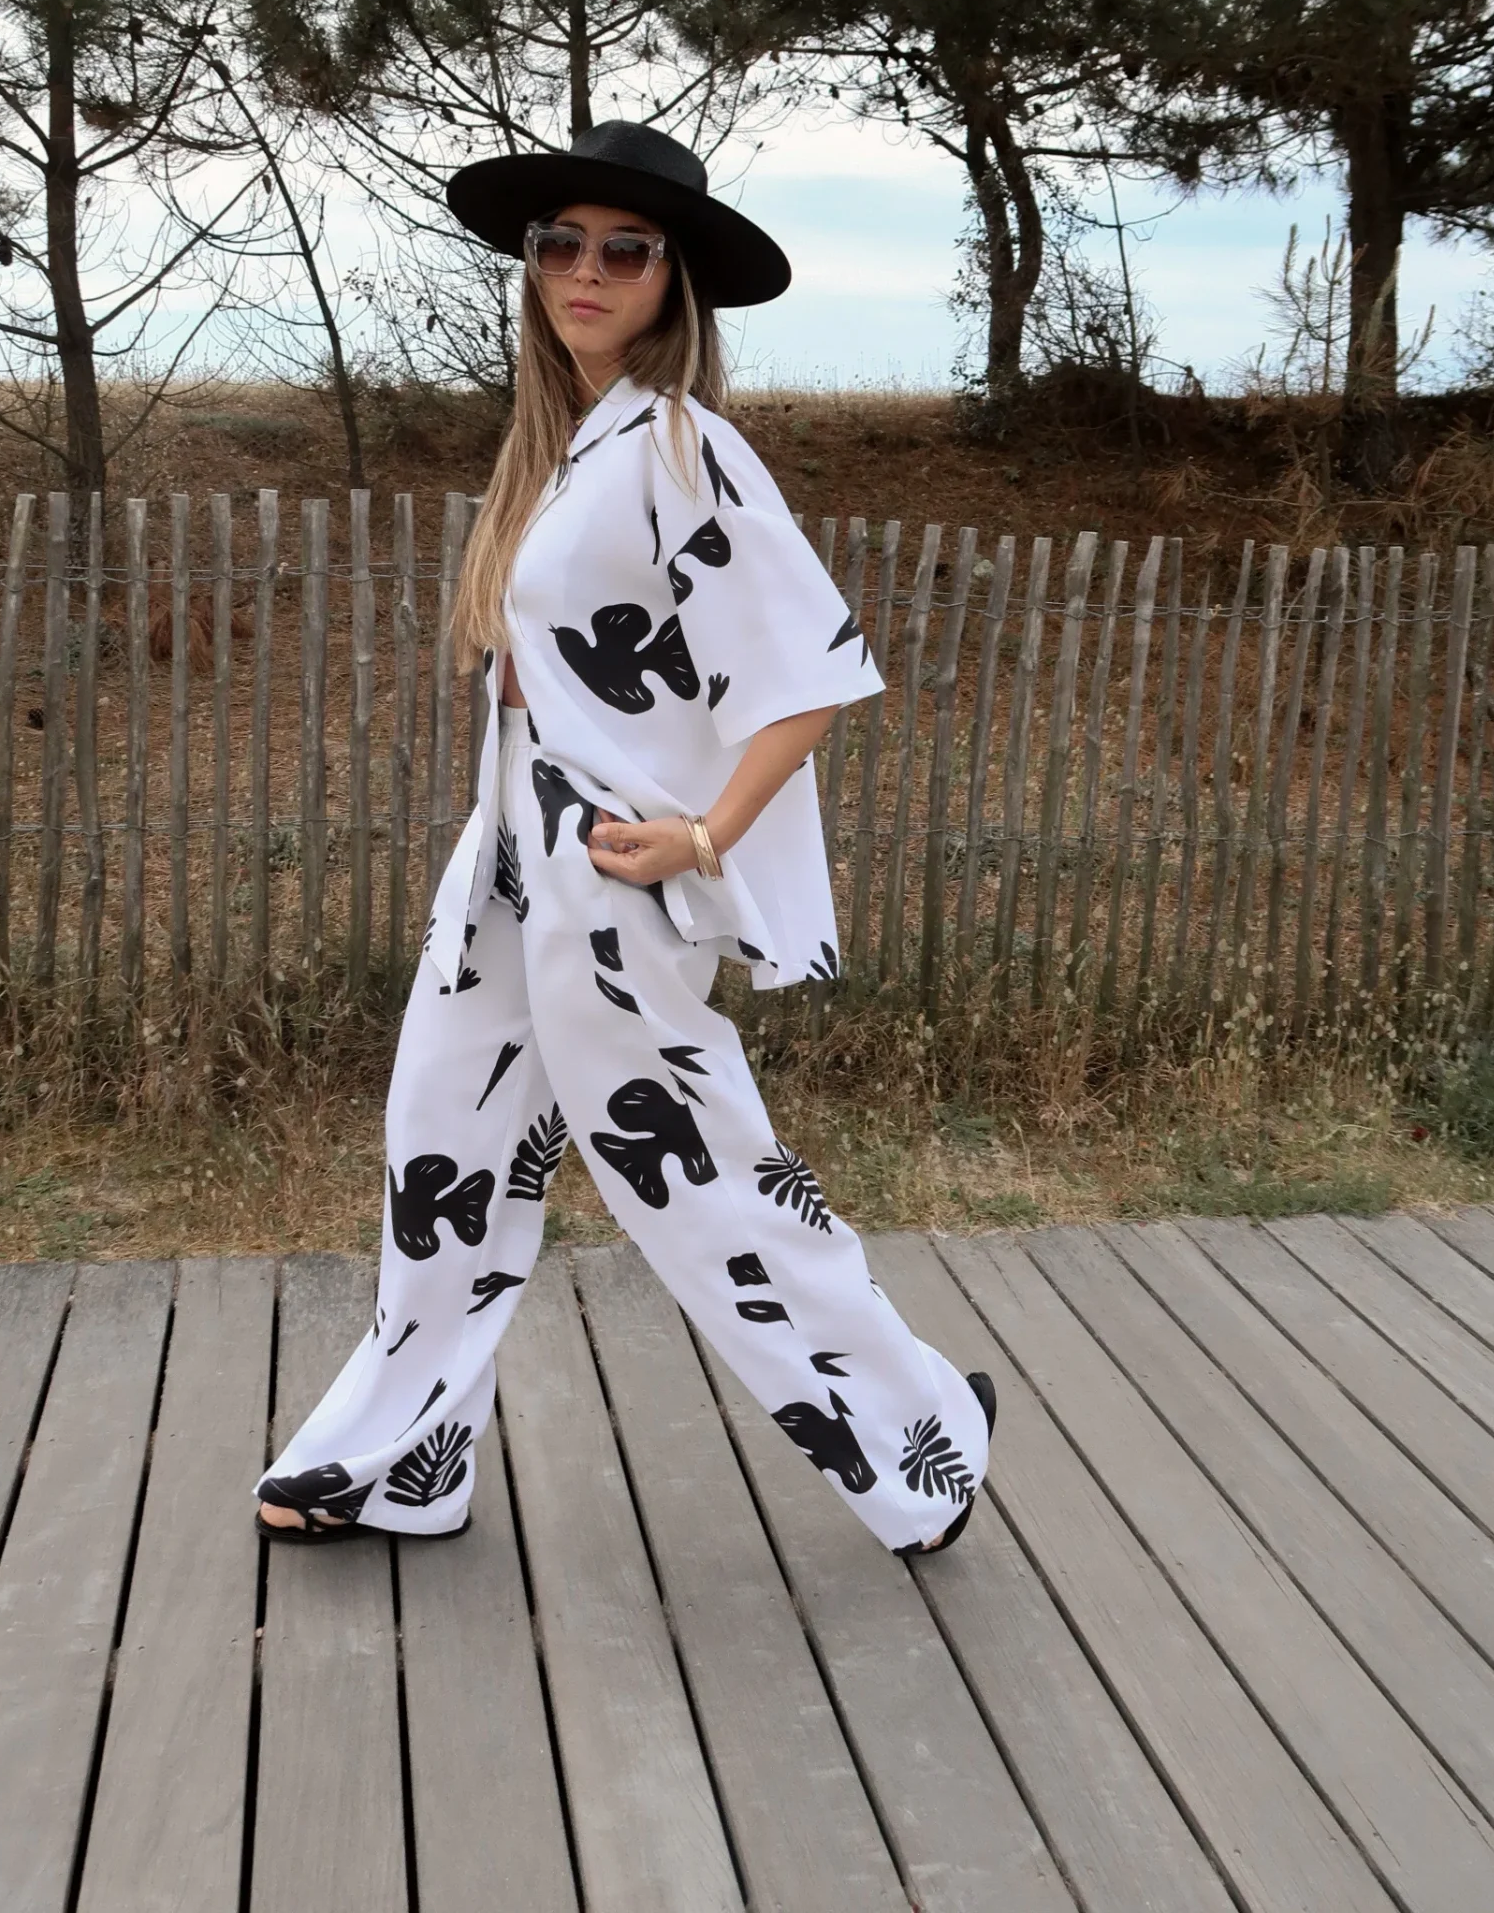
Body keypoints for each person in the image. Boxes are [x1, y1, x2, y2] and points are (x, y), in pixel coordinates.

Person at [253, 121, 995, 1555]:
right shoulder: (568, 449)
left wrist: (706, 837)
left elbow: (811, 672)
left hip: (603, 876)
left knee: (699, 1180)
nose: (584, 271)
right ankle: (405, 1461)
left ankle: (924, 1445)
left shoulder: (677, 442)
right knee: (443, 1153)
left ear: (672, 281)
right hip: (507, 859)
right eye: (559, 244)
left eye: (624, 250)